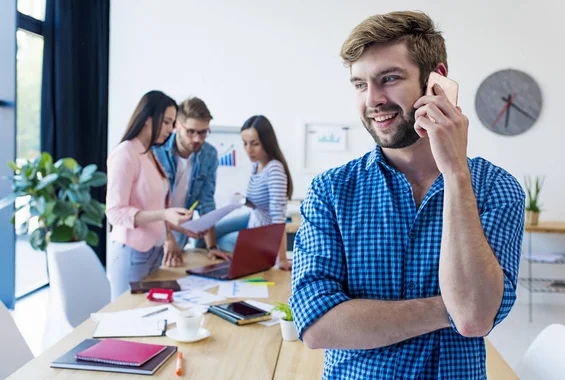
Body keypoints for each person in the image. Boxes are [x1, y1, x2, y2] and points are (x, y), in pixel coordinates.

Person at [290, 11, 525, 379]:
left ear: (437, 81)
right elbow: (317, 325)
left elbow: (476, 318)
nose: (372, 100)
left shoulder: (496, 189)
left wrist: (456, 174)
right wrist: (447, 308)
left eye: (389, 79)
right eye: (359, 84)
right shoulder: (331, 191)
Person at [106, 90, 192, 300]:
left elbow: (152, 206)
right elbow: (115, 213)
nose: (171, 130)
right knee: (126, 319)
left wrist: (182, 226)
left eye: (172, 124)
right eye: (167, 122)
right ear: (147, 119)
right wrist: (164, 215)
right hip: (132, 253)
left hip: (153, 253)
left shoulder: (149, 153)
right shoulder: (125, 153)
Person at [153, 97, 231, 266]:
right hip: (152, 232)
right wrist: (167, 237)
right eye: (191, 131)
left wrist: (212, 247)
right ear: (177, 126)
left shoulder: (208, 155)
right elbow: (150, 204)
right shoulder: (156, 150)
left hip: (179, 237)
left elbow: (206, 202)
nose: (197, 139)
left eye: (203, 132)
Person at [215, 115, 294, 271]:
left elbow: (279, 218)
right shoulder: (257, 165)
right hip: (254, 218)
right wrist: (243, 200)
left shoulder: (274, 170)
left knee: (222, 241)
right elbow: (260, 203)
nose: (248, 150)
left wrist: (282, 259)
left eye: (254, 144)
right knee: (211, 231)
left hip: (264, 233)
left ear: (267, 143)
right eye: (245, 144)